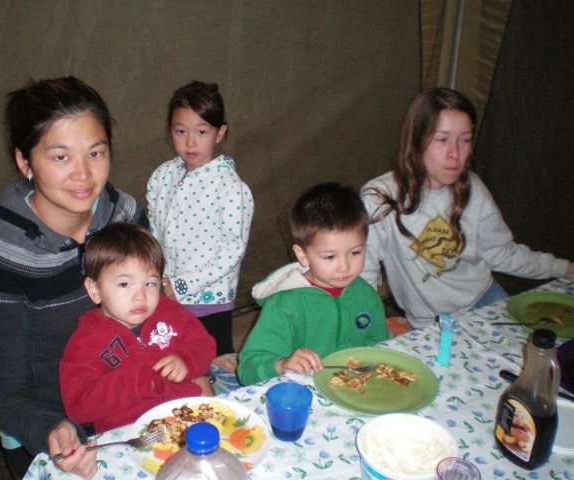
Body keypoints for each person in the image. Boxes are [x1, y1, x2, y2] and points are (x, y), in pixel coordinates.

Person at [0, 76, 150, 480]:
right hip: (53, 429)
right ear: (24, 162)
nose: (83, 175)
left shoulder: (125, 217)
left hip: (131, 408)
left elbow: (155, 308)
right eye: (60, 157)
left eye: (96, 152)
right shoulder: (0, 259)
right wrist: (50, 427)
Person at [361, 87, 574, 329]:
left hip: (486, 299)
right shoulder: (380, 197)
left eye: (465, 140)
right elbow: (363, 273)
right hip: (431, 323)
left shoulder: (473, 188)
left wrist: (564, 268)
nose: (455, 153)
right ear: (416, 141)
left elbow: (501, 253)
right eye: (442, 139)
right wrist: (367, 328)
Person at [59, 222, 216, 433]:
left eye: (150, 283)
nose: (141, 295)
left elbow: (204, 344)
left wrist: (187, 361)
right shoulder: (85, 342)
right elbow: (77, 407)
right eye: (125, 284)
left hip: (189, 416)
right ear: (95, 289)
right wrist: (135, 383)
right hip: (131, 435)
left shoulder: (170, 313)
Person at [237, 183, 389, 386]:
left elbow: (379, 346)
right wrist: (282, 364)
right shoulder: (284, 305)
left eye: (355, 253)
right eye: (329, 257)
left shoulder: (366, 295)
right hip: (302, 395)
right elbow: (248, 369)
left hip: (355, 391)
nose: (344, 267)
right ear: (303, 255)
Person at [146, 80, 254, 356]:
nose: (190, 142)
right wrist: (155, 279)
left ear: (220, 133)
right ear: (169, 131)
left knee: (212, 362)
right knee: (170, 359)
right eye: (181, 131)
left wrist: (184, 284)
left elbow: (232, 251)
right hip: (166, 294)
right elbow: (153, 232)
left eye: (202, 131)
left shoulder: (230, 188)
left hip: (209, 301)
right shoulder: (162, 176)